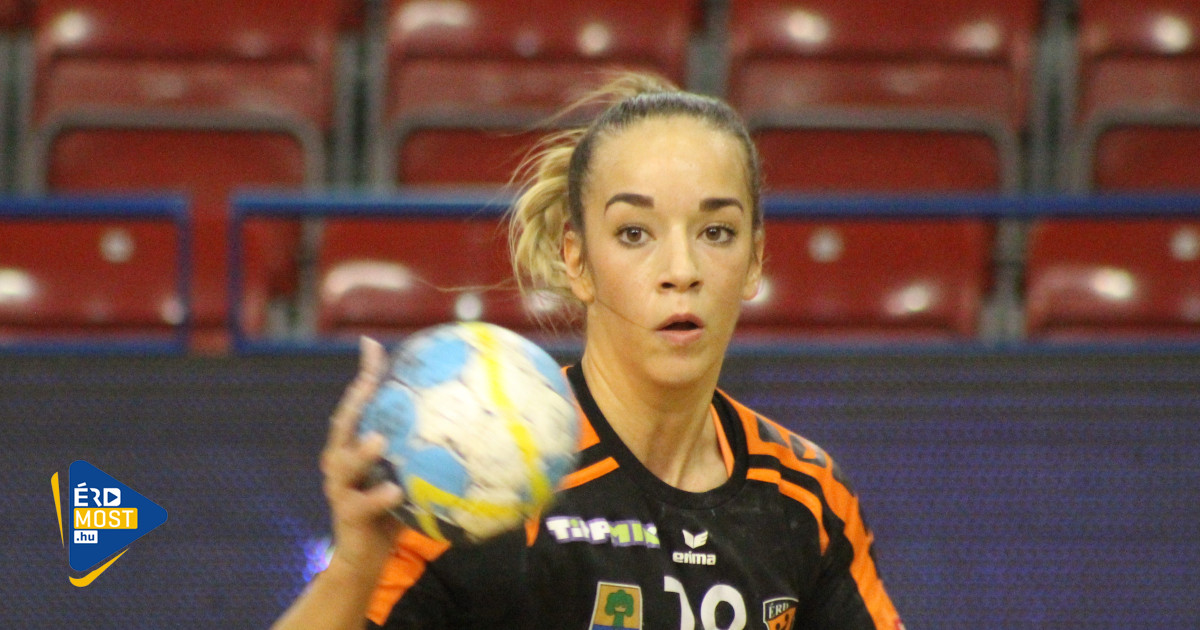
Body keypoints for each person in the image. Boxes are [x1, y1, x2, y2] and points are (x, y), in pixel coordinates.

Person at [273, 73, 903, 630]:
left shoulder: (805, 494)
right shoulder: (479, 481)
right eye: (634, 233)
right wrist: (354, 568)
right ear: (576, 259)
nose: (681, 270)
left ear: (755, 260)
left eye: (716, 232)